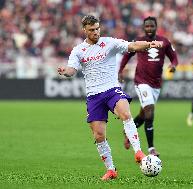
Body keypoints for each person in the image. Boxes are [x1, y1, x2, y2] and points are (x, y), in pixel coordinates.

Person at [57, 15, 163, 181]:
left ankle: (139, 152)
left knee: (126, 114)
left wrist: (149, 44)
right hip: (94, 96)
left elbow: (133, 45)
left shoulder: (110, 43)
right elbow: (72, 70)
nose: (96, 32)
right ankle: (111, 170)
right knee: (99, 135)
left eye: (97, 28)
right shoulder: (78, 50)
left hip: (111, 90)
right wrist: (65, 71)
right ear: (84, 30)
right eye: (92, 30)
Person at [118, 16, 178, 157]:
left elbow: (174, 57)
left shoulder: (164, 42)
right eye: (147, 26)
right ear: (144, 28)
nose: (149, 29)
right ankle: (151, 149)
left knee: (144, 114)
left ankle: (128, 132)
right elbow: (127, 56)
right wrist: (120, 70)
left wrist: (173, 65)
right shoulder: (139, 42)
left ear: (156, 27)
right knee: (150, 111)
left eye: (152, 26)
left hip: (156, 84)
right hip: (141, 81)